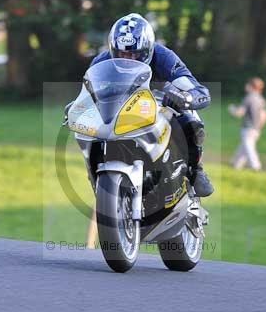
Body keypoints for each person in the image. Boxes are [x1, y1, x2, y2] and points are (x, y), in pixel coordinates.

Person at [90, 13, 214, 197]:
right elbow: (88, 93)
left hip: (159, 104)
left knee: (192, 122)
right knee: (91, 132)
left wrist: (186, 97)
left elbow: (195, 88)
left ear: (147, 50)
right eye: (122, 54)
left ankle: (195, 170)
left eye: (134, 55)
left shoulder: (164, 57)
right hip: (119, 111)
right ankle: (96, 175)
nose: (128, 60)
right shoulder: (101, 62)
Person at [228, 76, 266, 171]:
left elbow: (240, 112)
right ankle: (235, 164)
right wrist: (259, 127)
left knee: (249, 148)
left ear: (251, 86)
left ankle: (255, 166)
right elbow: (264, 116)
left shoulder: (248, 98)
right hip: (257, 128)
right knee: (244, 147)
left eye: (248, 84)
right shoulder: (261, 99)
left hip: (248, 128)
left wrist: (232, 110)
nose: (246, 86)